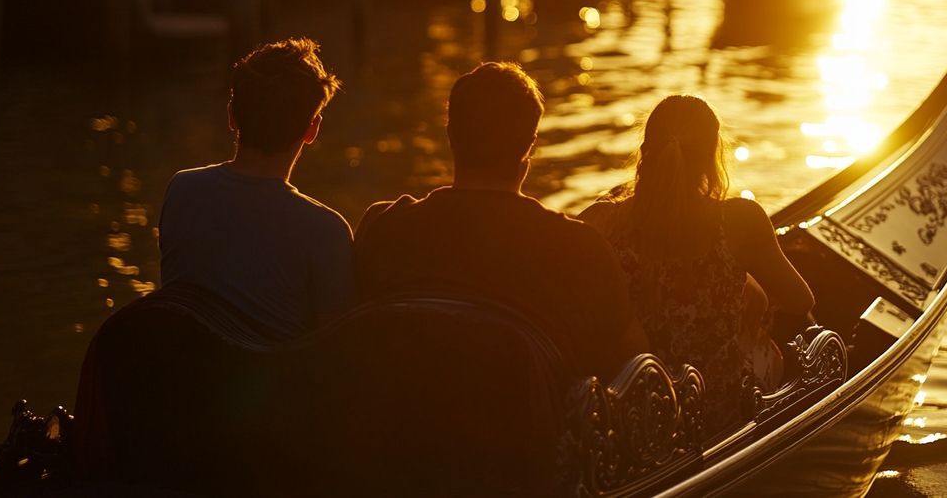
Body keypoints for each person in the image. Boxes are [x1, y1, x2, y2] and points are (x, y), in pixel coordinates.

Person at [354, 62, 647, 379]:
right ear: (529, 146)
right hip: (522, 426)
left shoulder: (383, 227)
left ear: (451, 135)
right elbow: (629, 360)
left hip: (395, 422)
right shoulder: (579, 248)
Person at [578, 95, 815, 436]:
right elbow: (800, 301)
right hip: (719, 409)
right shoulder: (740, 221)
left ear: (645, 152)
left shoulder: (599, 222)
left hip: (632, 419)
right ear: (711, 157)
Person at [158, 38, 353, 342]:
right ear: (312, 129)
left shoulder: (182, 190)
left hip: (185, 380)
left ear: (232, 115)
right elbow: (336, 350)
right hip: (275, 385)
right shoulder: (327, 231)